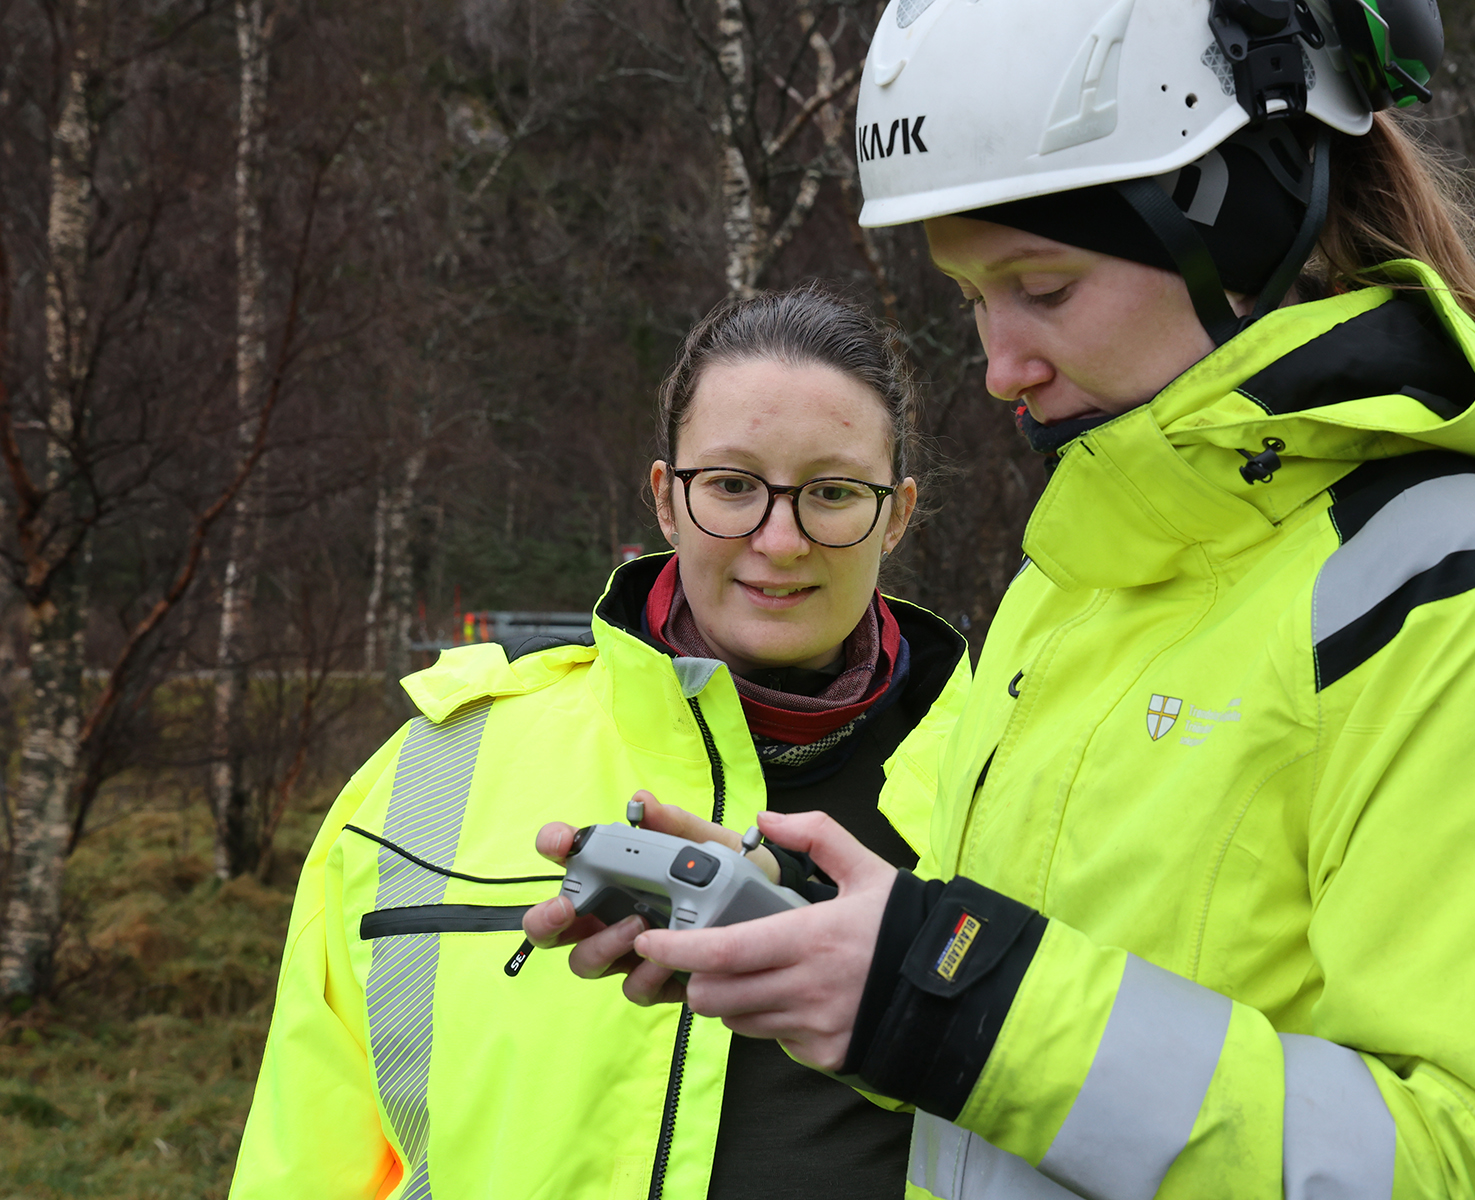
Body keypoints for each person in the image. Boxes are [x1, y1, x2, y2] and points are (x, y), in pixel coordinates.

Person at [538, 2, 1475, 1198]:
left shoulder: (1465, 605)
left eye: (1044, 286)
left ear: (1240, 227)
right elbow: (1046, 1052)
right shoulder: (1079, 588)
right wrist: (831, 946)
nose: (998, 365)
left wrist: (939, 991)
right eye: (975, 297)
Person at [230, 285, 971, 1200]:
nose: (779, 541)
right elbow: (305, 1161)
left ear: (895, 515)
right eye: (733, 486)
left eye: (830, 493)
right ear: (666, 499)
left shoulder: (1015, 772)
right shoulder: (431, 768)